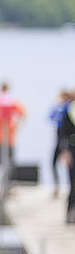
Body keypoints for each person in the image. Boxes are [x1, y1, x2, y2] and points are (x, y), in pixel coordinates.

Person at [49, 89, 73, 197]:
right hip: (61, 138)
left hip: (65, 141)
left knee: (69, 168)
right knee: (54, 163)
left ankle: (67, 189)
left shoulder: (67, 108)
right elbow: (50, 116)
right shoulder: (62, 107)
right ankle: (57, 186)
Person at [57, 90, 75, 224]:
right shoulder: (68, 110)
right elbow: (62, 133)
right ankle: (69, 212)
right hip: (72, 149)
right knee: (72, 183)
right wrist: (64, 151)